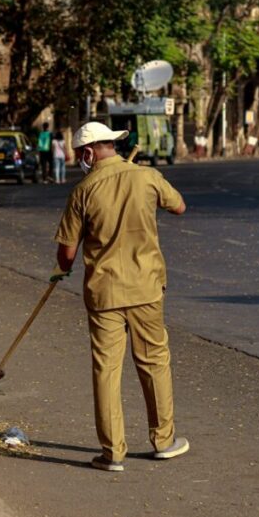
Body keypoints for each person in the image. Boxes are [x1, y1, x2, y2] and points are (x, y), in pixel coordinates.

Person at [52, 121, 189, 472]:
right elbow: (179, 207)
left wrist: (63, 268)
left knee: (106, 369)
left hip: (104, 292)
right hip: (146, 287)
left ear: (87, 153)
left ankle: (112, 452)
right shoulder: (146, 176)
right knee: (154, 361)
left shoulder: (82, 190)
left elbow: (66, 253)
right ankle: (164, 440)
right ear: (110, 146)